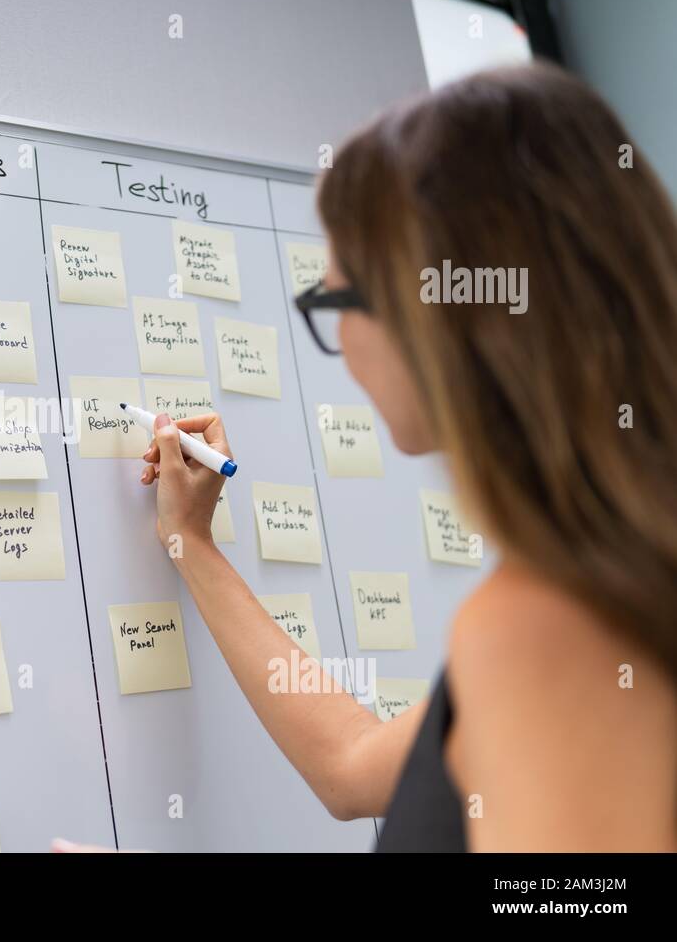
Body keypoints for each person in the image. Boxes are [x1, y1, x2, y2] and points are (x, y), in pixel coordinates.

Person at [54, 63, 677, 852]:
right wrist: (191, 545)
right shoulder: (617, 581)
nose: (340, 344)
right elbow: (351, 767)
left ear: (443, 323)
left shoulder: (549, 627)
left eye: (334, 301)